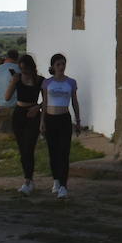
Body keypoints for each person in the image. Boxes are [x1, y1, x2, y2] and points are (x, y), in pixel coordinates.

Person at [40, 53, 82, 200]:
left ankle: (64, 186)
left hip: (64, 118)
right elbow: (44, 103)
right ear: (53, 66)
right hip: (50, 119)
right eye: (58, 64)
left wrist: (78, 120)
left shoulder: (71, 82)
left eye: (63, 64)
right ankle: (56, 180)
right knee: (53, 152)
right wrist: (42, 121)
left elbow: (74, 102)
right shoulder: (47, 83)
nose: (61, 67)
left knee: (64, 152)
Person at [5, 53, 44, 195]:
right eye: (22, 70)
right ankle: (28, 179)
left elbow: (47, 99)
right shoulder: (18, 78)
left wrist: (38, 107)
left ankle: (28, 180)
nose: (24, 73)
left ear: (32, 68)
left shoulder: (40, 80)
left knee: (29, 147)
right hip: (19, 114)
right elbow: (7, 97)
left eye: (26, 70)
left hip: (33, 114)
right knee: (22, 149)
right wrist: (13, 82)